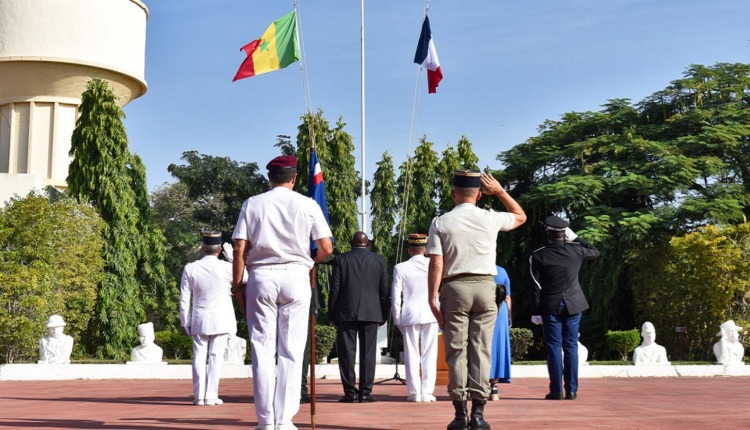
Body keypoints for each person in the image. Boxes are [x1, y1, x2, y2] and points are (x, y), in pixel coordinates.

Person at [231, 154, 332, 430]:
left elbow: (240, 248)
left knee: (262, 349)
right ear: (295, 178)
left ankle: (265, 420)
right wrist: (309, 262)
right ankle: (284, 419)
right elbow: (326, 249)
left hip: (262, 275)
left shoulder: (253, 203)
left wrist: (237, 284)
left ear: (269, 178)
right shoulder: (308, 204)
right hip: (297, 276)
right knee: (291, 350)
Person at [427, 170, 526, 430]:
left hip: (455, 288)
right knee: (481, 350)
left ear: (453, 193)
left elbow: (436, 263)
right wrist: (502, 192)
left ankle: (460, 415)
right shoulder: (490, 217)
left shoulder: (441, 222)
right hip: (485, 286)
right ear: (480, 194)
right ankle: (479, 415)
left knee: (456, 351)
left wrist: (432, 298)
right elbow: (520, 216)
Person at [529, 216, 599, 401]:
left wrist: (535, 312)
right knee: (571, 346)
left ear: (548, 234)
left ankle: (556, 391)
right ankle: (572, 390)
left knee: (554, 347)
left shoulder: (538, 255)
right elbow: (595, 251)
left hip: (550, 306)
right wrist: (576, 238)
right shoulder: (576, 251)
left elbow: (536, 287)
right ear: (564, 234)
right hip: (574, 304)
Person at [180, 231, 244, 406]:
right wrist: (233, 259)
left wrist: (185, 320)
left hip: (200, 317)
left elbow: (184, 298)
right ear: (220, 249)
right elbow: (245, 278)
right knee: (216, 357)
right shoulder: (226, 267)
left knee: (198, 356)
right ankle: (211, 395)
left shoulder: (190, 268)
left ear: (203, 248)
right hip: (221, 318)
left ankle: (199, 396)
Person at [329, 231, 389, 403]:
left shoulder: (341, 260)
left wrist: (332, 313)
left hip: (346, 312)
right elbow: (384, 290)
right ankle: (365, 392)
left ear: (351, 243)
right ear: (367, 243)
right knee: (368, 353)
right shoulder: (379, 260)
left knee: (346, 353)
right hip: (371, 312)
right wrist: (383, 314)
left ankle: (350, 392)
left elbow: (335, 289)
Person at [391, 233, 438, 403]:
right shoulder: (434, 265)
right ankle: (427, 392)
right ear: (425, 249)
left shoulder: (400, 267)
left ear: (410, 250)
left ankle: (415, 392)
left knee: (411, 353)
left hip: (409, 314)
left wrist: (397, 319)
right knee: (429, 354)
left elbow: (396, 296)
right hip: (431, 313)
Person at [489, 265, 512, 401]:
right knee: (498, 346)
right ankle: (494, 388)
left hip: (482, 308)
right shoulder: (501, 271)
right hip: (500, 310)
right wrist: (509, 316)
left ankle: (475, 383)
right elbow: (507, 297)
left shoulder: (477, 267)